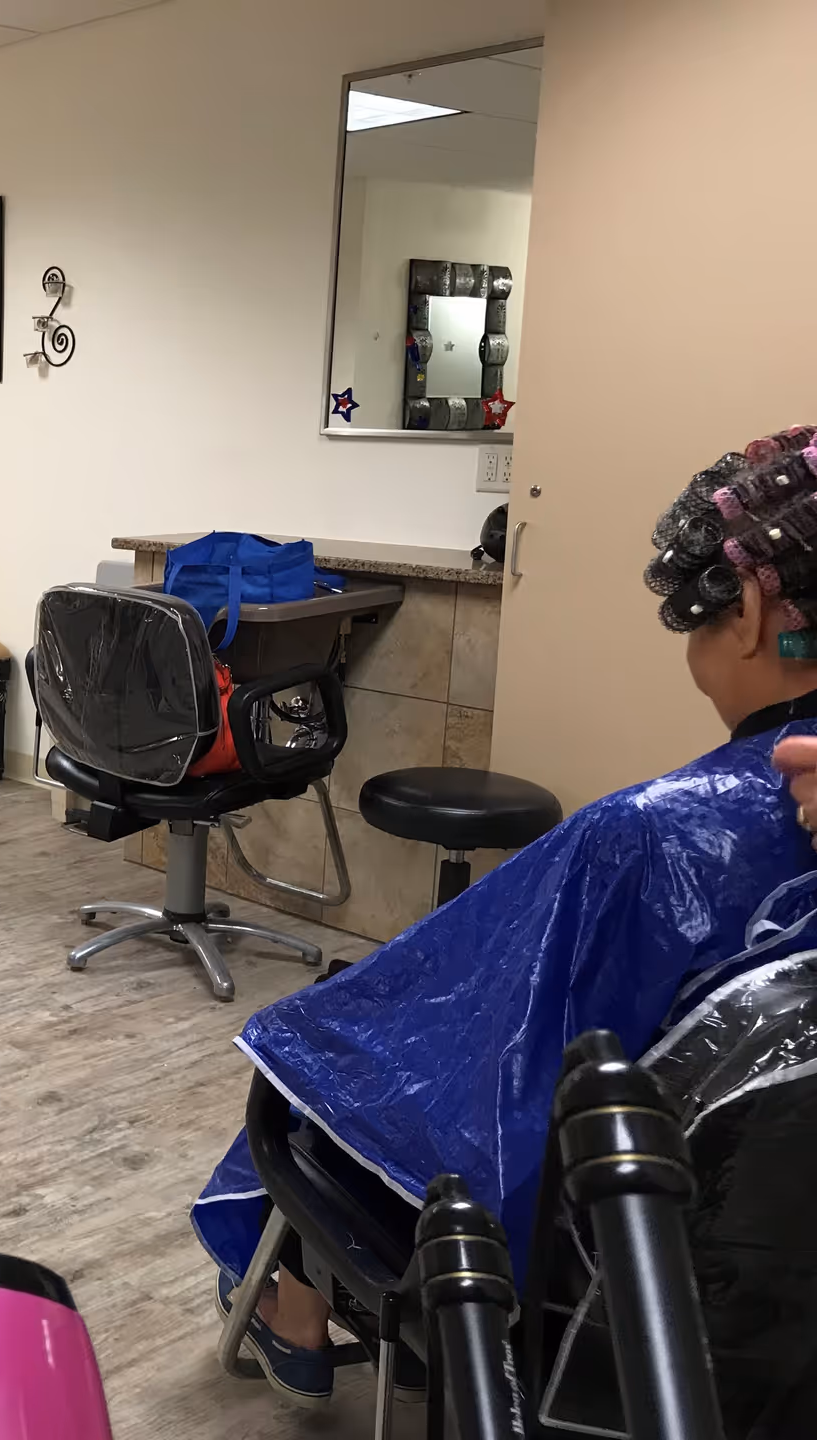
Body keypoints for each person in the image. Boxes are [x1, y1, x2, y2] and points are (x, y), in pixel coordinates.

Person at [192, 427, 817, 1406]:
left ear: (745, 613)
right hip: (759, 1272)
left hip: (582, 1247)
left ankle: (294, 1309)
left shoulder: (647, 837)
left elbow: (479, 1062)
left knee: (317, 1057)